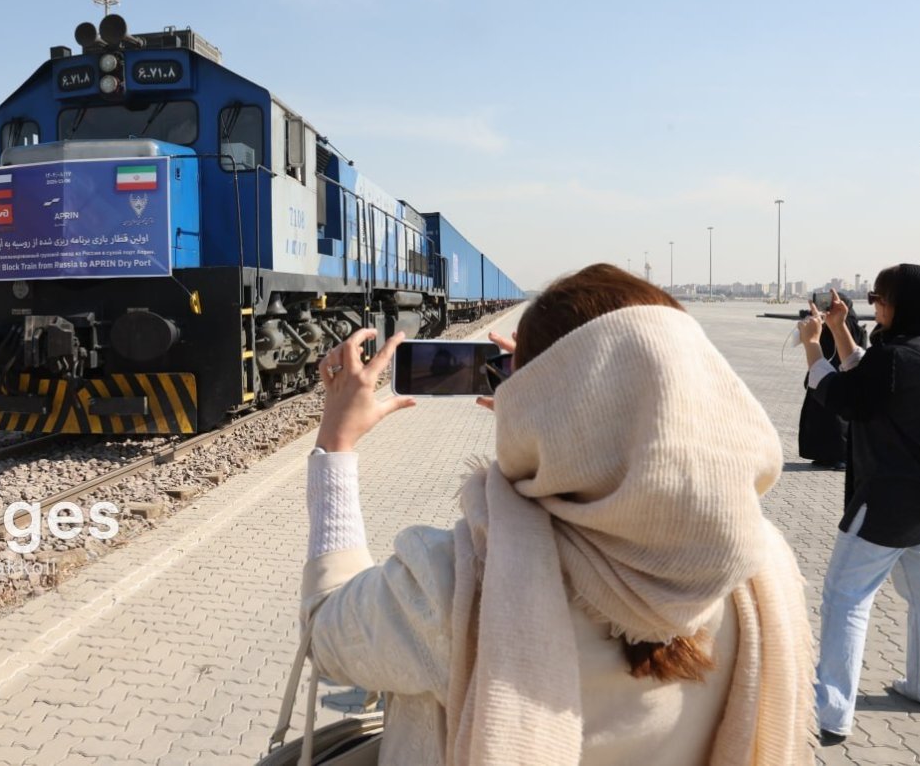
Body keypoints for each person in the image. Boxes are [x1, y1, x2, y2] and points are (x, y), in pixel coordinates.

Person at [302, 264, 813, 765]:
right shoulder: (760, 569)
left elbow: (325, 629)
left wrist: (335, 446)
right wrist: (555, 429)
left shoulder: (454, 586)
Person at [799, 264, 920, 742]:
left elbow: (842, 396)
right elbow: (872, 385)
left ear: (906, 306)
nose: (874, 303)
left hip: (883, 506)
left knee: (844, 597)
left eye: (881, 297)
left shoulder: (895, 359)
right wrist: (839, 328)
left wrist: (814, 343)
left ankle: (829, 712)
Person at [798, 292, 866, 469]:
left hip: (837, 377)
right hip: (824, 376)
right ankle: (823, 454)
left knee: (838, 419)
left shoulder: (848, 324)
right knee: (819, 419)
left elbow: (854, 355)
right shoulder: (827, 322)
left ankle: (841, 455)